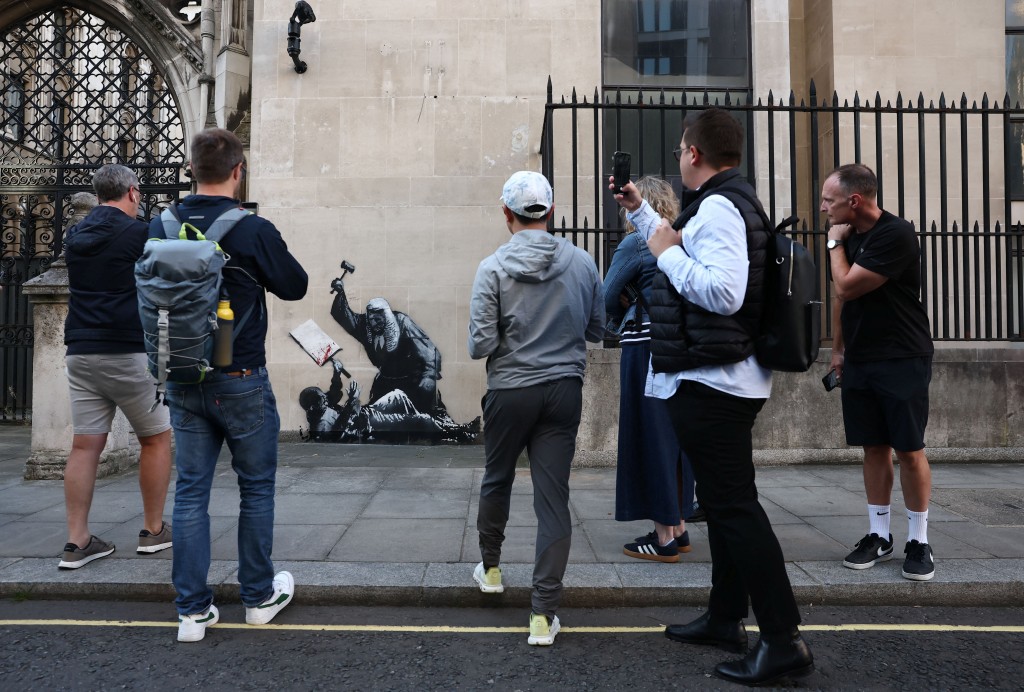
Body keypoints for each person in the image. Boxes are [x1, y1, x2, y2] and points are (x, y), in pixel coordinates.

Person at [612, 108, 813, 686]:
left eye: (681, 149)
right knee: (727, 508)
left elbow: (724, 292)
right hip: (716, 378)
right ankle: (726, 618)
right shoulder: (723, 201)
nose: (678, 157)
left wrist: (667, 254)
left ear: (694, 154)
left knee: (735, 510)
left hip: (715, 384)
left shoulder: (721, 207)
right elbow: (681, 240)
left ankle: (783, 639)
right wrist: (640, 211)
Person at [155, 128, 309, 643]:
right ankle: (259, 598)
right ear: (238, 171)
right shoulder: (251, 229)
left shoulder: (161, 224)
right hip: (240, 375)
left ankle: (192, 612)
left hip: (182, 375)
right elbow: (295, 285)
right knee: (256, 487)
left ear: (192, 170)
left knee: (190, 492)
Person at [468, 170, 604, 646]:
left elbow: (479, 344)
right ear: (551, 211)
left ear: (506, 213)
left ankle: (490, 570)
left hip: (509, 390)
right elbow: (596, 329)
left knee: (497, 477)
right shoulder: (582, 263)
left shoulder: (491, 268)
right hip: (563, 390)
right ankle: (543, 615)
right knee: (553, 500)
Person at [821, 163, 936, 581]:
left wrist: (834, 243)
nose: (823, 208)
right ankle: (879, 535)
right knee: (873, 447)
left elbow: (846, 285)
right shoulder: (851, 234)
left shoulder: (895, 234)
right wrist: (838, 351)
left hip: (901, 356)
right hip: (861, 358)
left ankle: (919, 540)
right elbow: (843, 301)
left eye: (829, 201)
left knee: (908, 449)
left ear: (854, 201)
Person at [59, 164, 173, 569]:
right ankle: (153, 530)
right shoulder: (139, 233)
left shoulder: (75, 235)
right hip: (128, 348)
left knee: (84, 445)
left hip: (80, 349)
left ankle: (77, 541)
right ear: (133, 192)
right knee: (156, 439)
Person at [604, 176, 696, 563]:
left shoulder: (635, 243)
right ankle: (679, 524)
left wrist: (621, 315)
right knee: (676, 437)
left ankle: (663, 537)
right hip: (681, 345)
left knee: (650, 436)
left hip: (644, 346)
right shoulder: (683, 238)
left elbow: (607, 295)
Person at [329, 291, 444, 417]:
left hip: (411, 383)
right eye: (371, 320)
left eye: (378, 320)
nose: (374, 324)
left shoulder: (403, 323)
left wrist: (428, 376)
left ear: (386, 316)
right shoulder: (365, 325)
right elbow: (344, 317)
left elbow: (429, 351)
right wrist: (340, 292)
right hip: (385, 382)